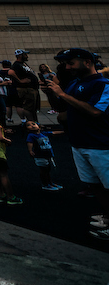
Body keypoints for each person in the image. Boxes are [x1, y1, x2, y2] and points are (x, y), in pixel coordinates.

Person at [44, 48, 109, 238]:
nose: (67, 67)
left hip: (100, 145)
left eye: (71, 62)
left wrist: (62, 94)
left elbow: (95, 112)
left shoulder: (103, 84)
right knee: (94, 185)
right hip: (79, 143)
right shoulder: (74, 83)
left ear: (87, 62)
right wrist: (51, 94)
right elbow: (60, 108)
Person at [25, 120, 63, 191]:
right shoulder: (31, 135)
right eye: (29, 125)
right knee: (43, 170)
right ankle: (45, 184)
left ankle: (50, 183)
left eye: (33, 124)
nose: (32, 125)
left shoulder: (43, 133)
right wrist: (30, 150)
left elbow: (53, 132)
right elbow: (29, 142)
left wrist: (64, 131)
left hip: (47, 154)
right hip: (40, 155)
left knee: (48, 169)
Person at [9, 49, 41, 125]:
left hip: (32, 88)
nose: (27, 56)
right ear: (20, 55)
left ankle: (35, 122)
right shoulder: (17, 64)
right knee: (28, 107)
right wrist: (20, 81)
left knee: (33, 108)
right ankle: (31, 123)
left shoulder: (23, 64)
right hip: (26, 89)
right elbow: (10, 72)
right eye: (25, 54)